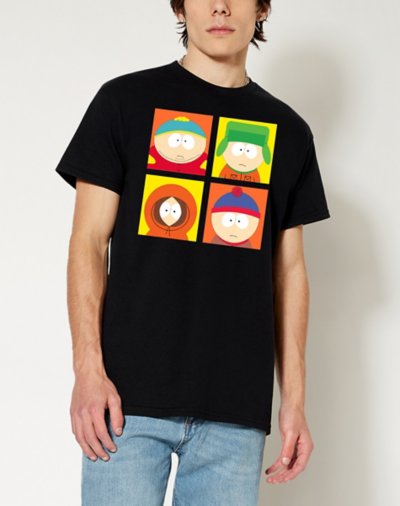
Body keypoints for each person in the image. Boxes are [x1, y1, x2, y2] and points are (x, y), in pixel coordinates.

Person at [55, 1, 331, 504]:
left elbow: (290, 272)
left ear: (262, 8)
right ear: (180, 8)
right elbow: (88, 242)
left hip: (235, 412)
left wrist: (294, 401)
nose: (220, 6)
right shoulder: (124, 102)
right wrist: (87, 371)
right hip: (125, 401)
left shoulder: (289, 131)